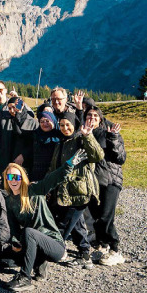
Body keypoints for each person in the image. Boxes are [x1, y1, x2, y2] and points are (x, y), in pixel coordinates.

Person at [2, 153, 85, 292]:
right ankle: (40, 266)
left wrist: (68, 165)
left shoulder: (35, 190)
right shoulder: (9, 201)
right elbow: (14, 227)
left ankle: (25, 278)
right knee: (9, 257)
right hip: (35, 243)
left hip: (54, 245)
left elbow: (52, 179)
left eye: (16, 176)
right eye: (10, 177)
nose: (13, 180)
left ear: (22, 178)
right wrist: (16, 243)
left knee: (29, 232)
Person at [49, 113, 104, 270]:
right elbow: (55, 168)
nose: (65, 128)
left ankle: (49, 253)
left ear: (75, 124)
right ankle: (85, 254)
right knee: (77, 224)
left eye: (68, 125)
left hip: (79, 191)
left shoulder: (81, 140)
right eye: (62, 125)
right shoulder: (61, 143)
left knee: (64, 225)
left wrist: (88, 137)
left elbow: (98, 156)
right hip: (66, 191)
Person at [85, 106, 126, 266]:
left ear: (100, 119)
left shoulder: (108, 133)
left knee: (105, 216)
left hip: (110, 180)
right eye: (89, 115)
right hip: (92, 182)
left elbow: (120, 158)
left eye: (95, 115)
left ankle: (115, 249)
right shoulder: (83, 134)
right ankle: (103, 246)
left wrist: (114, 138)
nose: (92, 118)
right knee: (96, 216)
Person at [0, 84, 37, 176]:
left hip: (20, 159)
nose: (12, 110)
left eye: (0, 90)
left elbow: (29, 117)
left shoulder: (26, 117)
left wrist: (23, 155)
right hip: (3, 157)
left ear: (5, 90)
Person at [30, 111, 60, 182]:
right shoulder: (35, 136)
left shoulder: (60, 137)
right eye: (42, 121)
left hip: (55, 175)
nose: (45, 124)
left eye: (47, 121)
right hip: (37, 176)